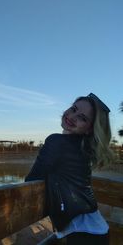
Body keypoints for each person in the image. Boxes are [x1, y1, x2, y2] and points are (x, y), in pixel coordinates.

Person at [25, 93, 113, 245]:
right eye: (73, 109)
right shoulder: (83, 148)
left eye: (83, 118)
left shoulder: (56, 141)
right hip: (97, 229)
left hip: (83, 234)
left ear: (89, 129)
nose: (72, 116)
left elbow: (31, 181)